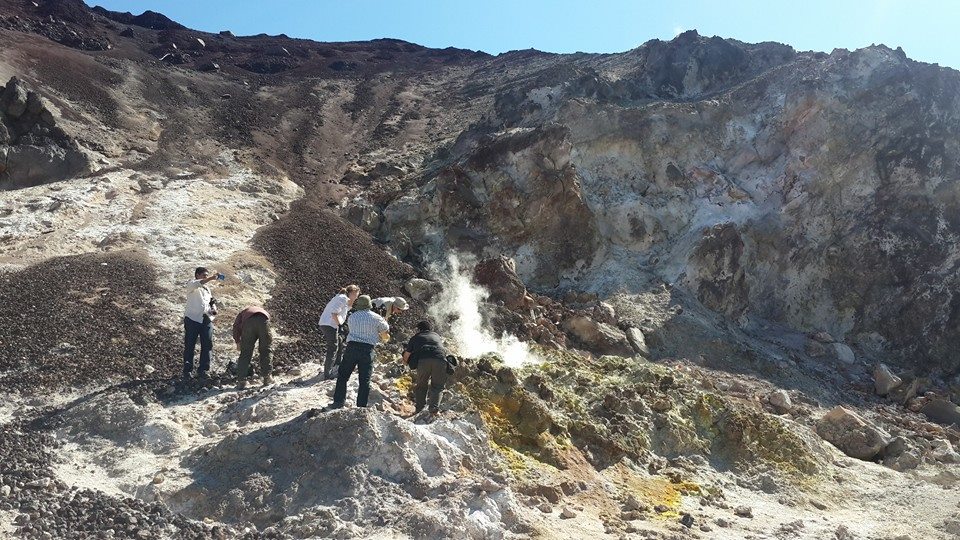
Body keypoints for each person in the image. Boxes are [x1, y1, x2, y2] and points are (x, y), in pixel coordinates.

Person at [327, 295, 389, 409]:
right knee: (364, 379)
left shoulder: (352, 317)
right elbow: (385, 330)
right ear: (369, 305)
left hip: (352, 348)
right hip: (367, 350)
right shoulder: (376, 317)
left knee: (343, 376)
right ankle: (361, 406)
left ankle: (338, 402)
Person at [403, 320, 449, 415]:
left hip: (423, 361)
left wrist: (405, 363)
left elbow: (407, 355)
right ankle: (433, 409)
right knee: (438, 386)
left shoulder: (415, 338)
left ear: (418, 329)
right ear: (429, 329)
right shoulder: (436, 336)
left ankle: (419, 409)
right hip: (440, 360)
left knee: (421, 385)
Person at [183, 267, 221, 379]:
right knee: (190, 344)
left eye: (207, 275)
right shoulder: (191, 284)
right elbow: (199, 283)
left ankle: (204, 370)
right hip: (193, 318)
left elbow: (210, 302)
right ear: (197, 275)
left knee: (208, 343)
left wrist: (213, 309)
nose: (206, 277)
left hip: (206, 319)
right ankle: (187, 370)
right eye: (204, 275)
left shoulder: (207, 290)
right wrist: (213, 277)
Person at [318, 285, 360, 379]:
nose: (357, 297)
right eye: (356, 295)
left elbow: (348, 308)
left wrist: (352, 300)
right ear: (352, 293)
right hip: (330, 324)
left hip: (328, 323)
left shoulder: (343, 298)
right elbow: (334, 313)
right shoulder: (342, 298)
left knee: (340, 342)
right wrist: (340, 325)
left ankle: (337, 364)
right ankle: (328, 374)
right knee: (333, 348)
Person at [233, 306, 273, 389]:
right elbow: (268, 323)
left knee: (246, 352)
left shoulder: (243, 313)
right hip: (263, 321)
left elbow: (236, 326)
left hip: (248, 324)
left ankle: (241, 381)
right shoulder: (263, 311)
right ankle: (267, 378)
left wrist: (238, 342)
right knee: (265, 350)